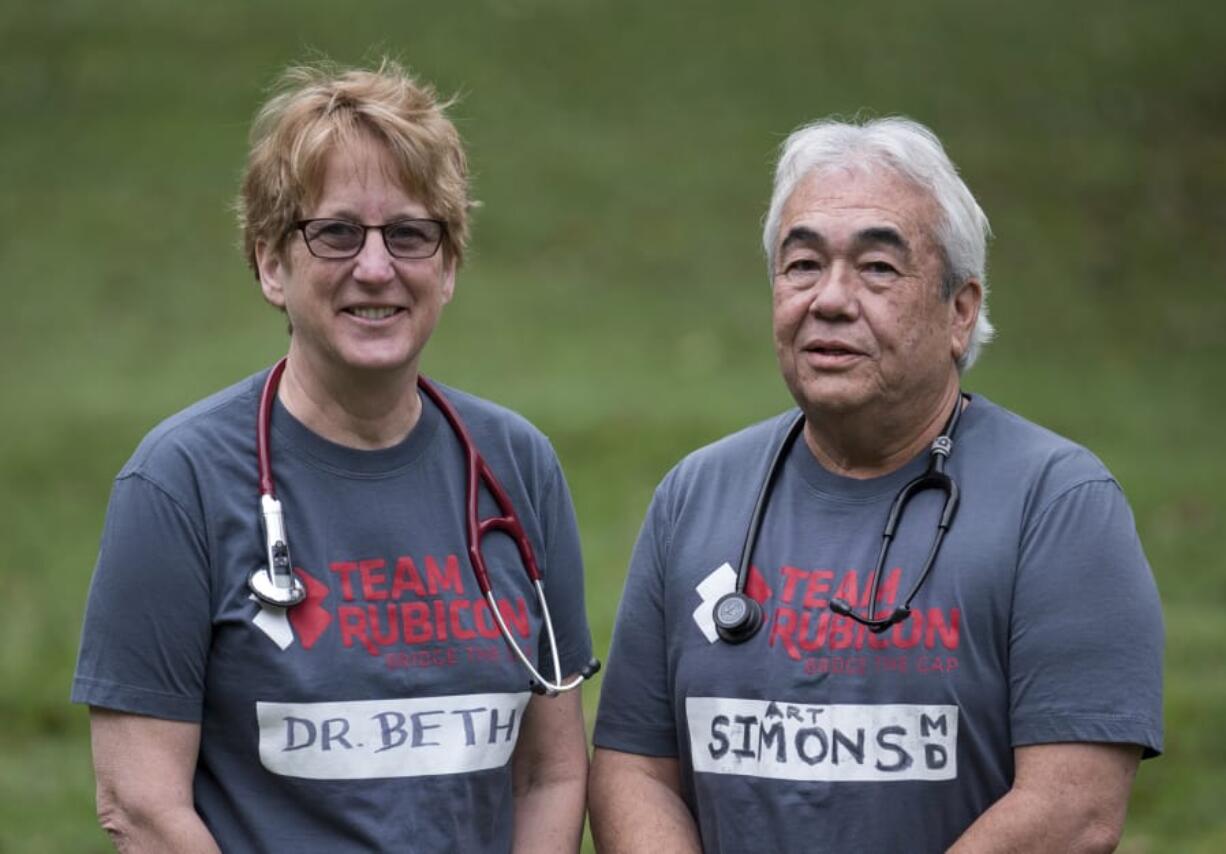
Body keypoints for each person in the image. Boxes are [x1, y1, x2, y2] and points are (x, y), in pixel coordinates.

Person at [589, 116, 1163, 852]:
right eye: (802, 265)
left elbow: (1074, 810)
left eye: (878, 268)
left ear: (961, 311)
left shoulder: (1058, 506)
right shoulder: (694, 498)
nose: (830, 299)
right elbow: (635, 772)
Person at [72, 59, 594, 853]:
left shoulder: (518, 468)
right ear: (271, 263)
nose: (376, 267)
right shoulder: (178, 484)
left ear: (448, 267)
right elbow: (141, 806)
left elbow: (550, 775)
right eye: (337, 232)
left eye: (410, 234)